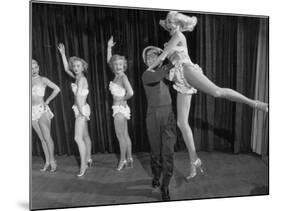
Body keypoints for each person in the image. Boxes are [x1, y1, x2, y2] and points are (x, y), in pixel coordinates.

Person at [147, 11, 269, 180]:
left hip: (188, 71)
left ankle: (255, 103)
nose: (171, 24)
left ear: (180, 25)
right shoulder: (172, 35)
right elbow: (166, 59)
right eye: (169, 22)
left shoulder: (178, 35)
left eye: (174, 22)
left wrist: (148, 68)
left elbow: (163, 56)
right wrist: (166, 24)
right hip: (181, 78)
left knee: (217, 92)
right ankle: (194, 160)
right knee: (182, 123)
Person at [142, 46, 177, 201]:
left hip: (168, 114)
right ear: (145, 61)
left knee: (168, 153)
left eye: (154, 55)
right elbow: (158, 75)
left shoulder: (165, 74)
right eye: (149, 57)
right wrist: (167, 59)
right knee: (155, 153)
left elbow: (172, 71)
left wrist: (170, 58)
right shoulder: (147, 74)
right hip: (153, 117)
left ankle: (165, 186)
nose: (152, 58)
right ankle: (156, 176)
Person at [57, 44, 93, 177]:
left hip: (81, 109)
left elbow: (78, 96)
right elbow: (67, 69)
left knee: (77, 138)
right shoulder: (77, 77)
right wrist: (62, 54)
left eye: (78, 66)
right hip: (81, 108)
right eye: (75, 66)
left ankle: (83, 165)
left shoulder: (82, 79)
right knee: (85, 135)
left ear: (83, 67)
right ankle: (89, 158)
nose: (75, 68)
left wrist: (80, 112)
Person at [107, 36, 134, 171]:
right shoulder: (117, 75)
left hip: (119, 109)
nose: (118, 66)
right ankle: (129, 158)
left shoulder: (123, 76)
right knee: (125, 135)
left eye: (120, 64)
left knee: (120, 136)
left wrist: (122, 100)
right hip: (119, 108)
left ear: (124, 65)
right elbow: (109, 60)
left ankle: (123, 160)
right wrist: (109, 48)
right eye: (116, 64)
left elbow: (131, 93)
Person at [32, 59, 60, 172]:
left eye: (35, 67)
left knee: (47, 137)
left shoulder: (43, 79)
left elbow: (57, 89)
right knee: (42, 139)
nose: (34, 70)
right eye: (31, 68)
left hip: (42, 110)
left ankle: (53, 161)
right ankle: (47, 161)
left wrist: (47, 100)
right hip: (31, 112)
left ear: (39, 67)